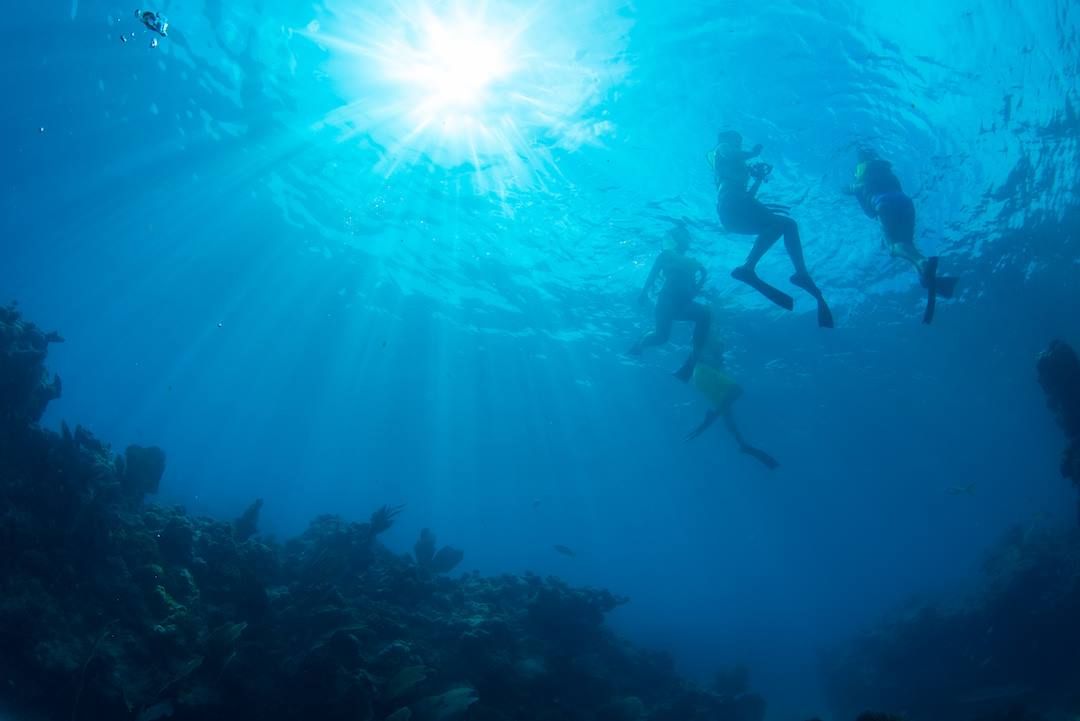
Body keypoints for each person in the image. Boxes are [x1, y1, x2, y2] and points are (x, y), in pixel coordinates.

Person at [709, 130, 833, 328]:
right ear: (726, 139)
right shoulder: (722, 148)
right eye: (736, 140)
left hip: (731, 214)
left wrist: (758, 178)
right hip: (732, 202)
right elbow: (731, 155)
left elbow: (746, 195)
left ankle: (749, 268)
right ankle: (799, 273)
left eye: (739, 141)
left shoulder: (730, 166)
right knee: (787, 224)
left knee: (781, 225)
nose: (739, 143)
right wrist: (753, 153)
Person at [843, 147, 958, 323]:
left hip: (883, 204)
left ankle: (922, 261)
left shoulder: (861, 181)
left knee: (892, 247)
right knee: (907, 245)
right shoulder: (888, 173)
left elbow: (865, 207)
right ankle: (926, 278)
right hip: (906, 203)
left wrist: (851, 189)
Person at [684, 332, 778, 470]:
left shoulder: (708, 338)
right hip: (703, 371)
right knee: (735, 393)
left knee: (726, 410)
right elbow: (698, 347)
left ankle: (742, 444)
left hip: (701, 374)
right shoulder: (708, 333)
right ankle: (713, 420)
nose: (722, 356)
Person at [630, 226, 711, 381]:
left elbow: (698, 280)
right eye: (682, 235)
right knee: (661, 337)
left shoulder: (693, 263)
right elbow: (653, 274)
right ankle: (640, 344)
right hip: (666, 303)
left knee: (705, 315)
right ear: (675, 239)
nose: (686, 239)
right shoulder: (666, 255)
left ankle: (692, 362)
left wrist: (697, 287)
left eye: (687, 236)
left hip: (684, 303)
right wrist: (644, 293)